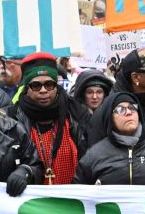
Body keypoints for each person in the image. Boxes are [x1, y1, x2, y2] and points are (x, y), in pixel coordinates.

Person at [10, 52, 89, 185]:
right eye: (36, 86)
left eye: (49, 85)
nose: (43, 90)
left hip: (72, 199)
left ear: (56, 87)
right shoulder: (12, 118)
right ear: (26, 89)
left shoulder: (77, 114)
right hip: (31, 201)